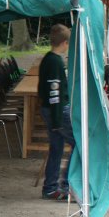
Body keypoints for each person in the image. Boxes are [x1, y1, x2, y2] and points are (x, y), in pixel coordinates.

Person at [38, 24, 75, 201]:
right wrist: (57, 118)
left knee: (57, 148)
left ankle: (50, 188)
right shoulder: (55, 61)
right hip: (57, 111)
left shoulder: (48, 58)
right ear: (65, 43)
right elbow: (54, 92)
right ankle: (66, 184)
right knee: (79, 145)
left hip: (52, 109)